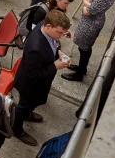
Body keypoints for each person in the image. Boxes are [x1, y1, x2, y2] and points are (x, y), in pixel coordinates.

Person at [13, 10, 72, 146]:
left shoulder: (44, 25)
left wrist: (58, 52)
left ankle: (27, 113)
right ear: (49, 26)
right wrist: (55, 65)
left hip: (39, 83)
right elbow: (32, 75)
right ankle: (17, 129)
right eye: (59, 33)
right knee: (23, 106)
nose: (61, 36)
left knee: (33, 104)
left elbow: (53, 44)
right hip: (30, 86)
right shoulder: (35, 48)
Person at [63, 0, 115, 83]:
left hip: (92, 24)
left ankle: (79, 74)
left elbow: (87, 12)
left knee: (85, 48)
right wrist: (88, 2)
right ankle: (82, 68)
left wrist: (86, 2)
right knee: (82, 46)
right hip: (87, 22)